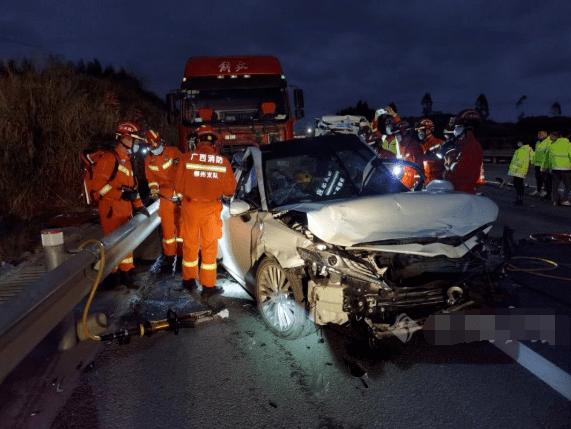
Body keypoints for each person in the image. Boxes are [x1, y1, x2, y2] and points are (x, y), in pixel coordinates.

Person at [174, 124, 237, 297]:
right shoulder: (222, 162)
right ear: (213, 142)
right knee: (209, 247)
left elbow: (178, 185)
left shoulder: (186, 159)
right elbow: (230, 190)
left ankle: (189, 281)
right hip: (211, 209)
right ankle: (208, 286)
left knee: (190, 245)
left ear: (198, 141)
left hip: (190, 208)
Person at [92, 121, 144, 288]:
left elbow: (132, 187)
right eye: (135, 140)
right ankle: (111, 276)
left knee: (126, 242)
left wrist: (139, 206)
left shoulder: (126, 160)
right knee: (113, 244)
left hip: (123, 209)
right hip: (111, 209)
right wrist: (119, 194)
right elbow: (99, 186)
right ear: (126, 139)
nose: (136, 144)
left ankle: (127, 272)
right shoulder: (109, 158)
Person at [144, 129, 183, 273]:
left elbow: (182, 172)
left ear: (161, 141)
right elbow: (151, 178)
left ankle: (182, 256)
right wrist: (153, 189)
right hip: (165, 194)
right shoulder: (149, 159)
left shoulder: (173, 152)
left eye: (157, 143)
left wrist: (180, 194)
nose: (155, 147)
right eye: (152, 145)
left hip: (179, 192)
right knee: (167, 228)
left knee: (181, 226)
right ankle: (169, 257)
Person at [443, 109, 484, 194]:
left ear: (468, 128)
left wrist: (446, 174)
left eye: (458, 127)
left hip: (464, 192)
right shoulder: (461, 145)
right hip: (457, 190)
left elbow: (461, 175)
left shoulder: (472, 147)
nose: (454, 130)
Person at [543, 129, 571, 206]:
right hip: (566, 168)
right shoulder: (569, 145)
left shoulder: (552, 144)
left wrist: (546, 167)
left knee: (555, 185)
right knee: (568, 185)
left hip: (554, 168)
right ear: (568, 136)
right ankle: (565, 200)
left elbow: (547, 157)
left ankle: (555, 200)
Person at [415, 118, 444, 185]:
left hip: (437, 180)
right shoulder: (420, 145)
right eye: (418, 130)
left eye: (422, 130)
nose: (420, 132)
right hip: (425, 180)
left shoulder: (439, 143)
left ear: (429, 130)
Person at [507, 140, 534, 206]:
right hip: (522, 170)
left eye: (519, 142)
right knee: (519, 185)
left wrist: (513, 168)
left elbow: (519, 160)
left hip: (518, 170)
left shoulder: (522, 150)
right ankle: (519, 199)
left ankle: (519, 200)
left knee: (518, 185)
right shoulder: (528, 149)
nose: (518, 144)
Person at [530, 131, 550, 198]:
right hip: (537, 163)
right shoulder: (538, 142)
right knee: (538, 178)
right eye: (539, 133)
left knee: (545, 179)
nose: (540, 135)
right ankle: (538, 190)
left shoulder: (548, 141)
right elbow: (536, 152)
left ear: (546, 134)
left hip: (544, 163)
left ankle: (546, 191)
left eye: (542, 133)